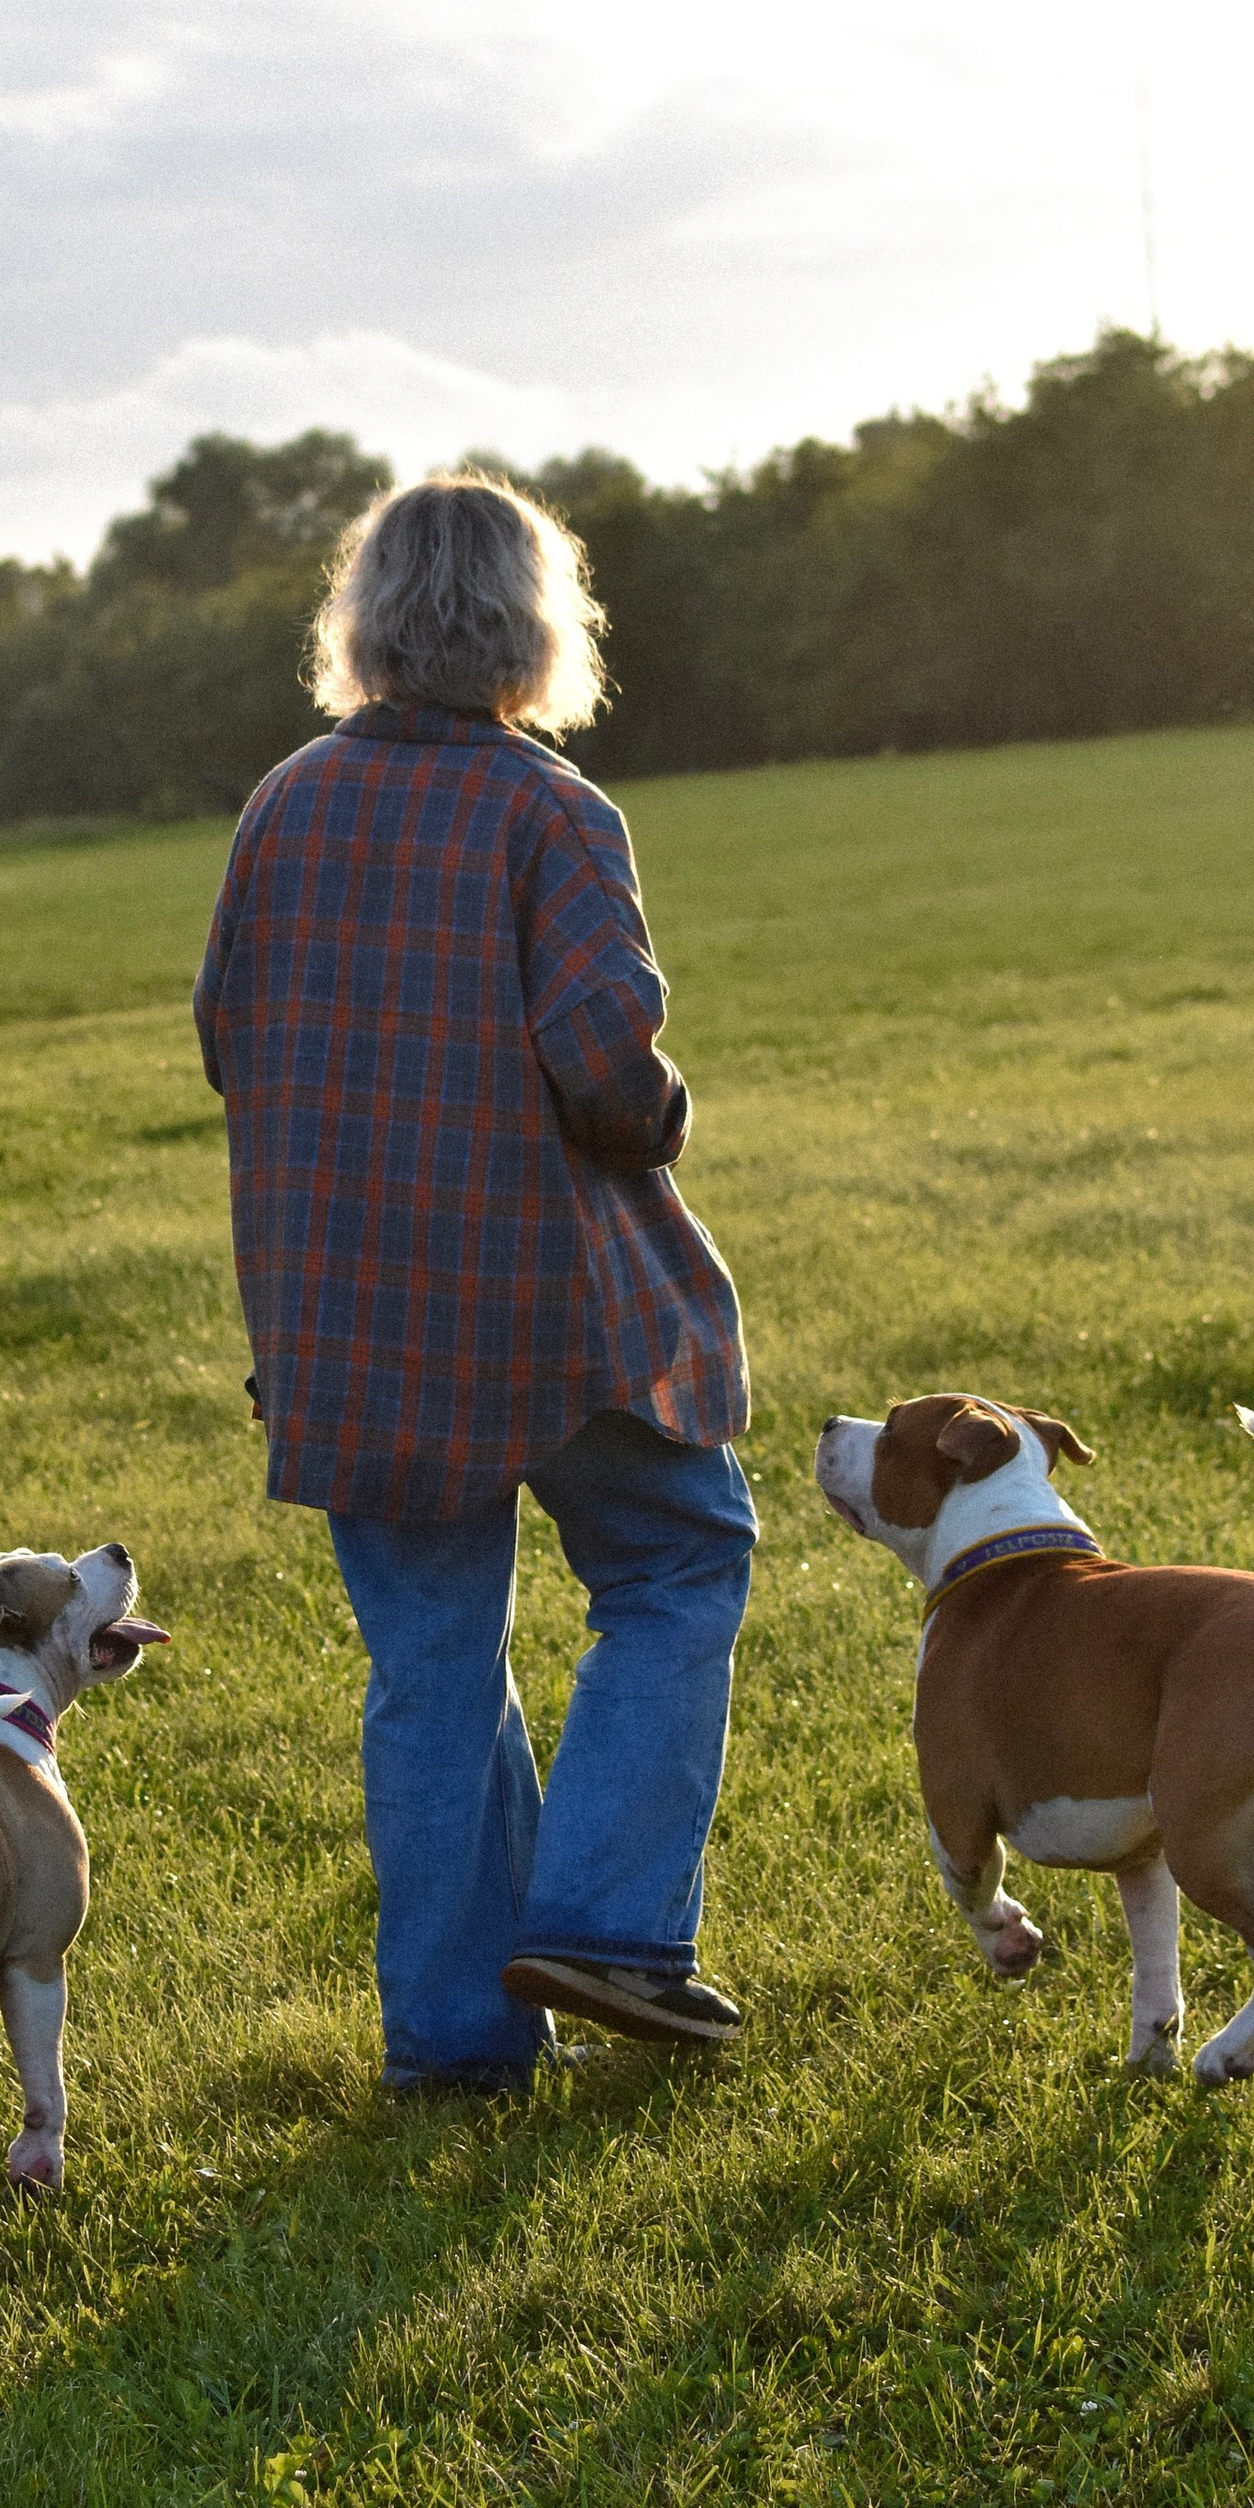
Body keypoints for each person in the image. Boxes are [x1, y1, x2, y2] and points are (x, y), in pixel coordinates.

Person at [192, 469, 755, 2091]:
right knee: (678, 1557)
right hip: (543, 1308)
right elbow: (603, 1069)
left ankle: (454, 2042)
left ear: (363, 623)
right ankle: (611, 1929)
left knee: (431, 1661)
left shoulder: (284, 804)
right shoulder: (551, 812)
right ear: (534, 625)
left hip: (351, 1319)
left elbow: (231, 1039)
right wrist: (661, 1111)